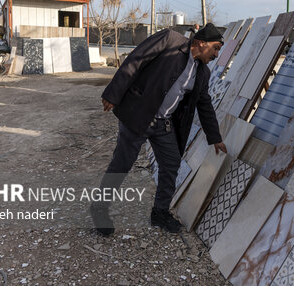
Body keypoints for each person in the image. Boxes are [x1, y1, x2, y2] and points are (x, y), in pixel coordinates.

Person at [91, 23, 228, 235]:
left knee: (171, 164)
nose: (216, 54)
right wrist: (113, 93)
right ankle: (99, 208)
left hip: (163, 124)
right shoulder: (170, 41)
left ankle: (160, 212)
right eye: (216, 48)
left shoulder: (203, 73)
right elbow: (137, 59)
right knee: (122, 164)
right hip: (138, 116)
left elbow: (205, 104)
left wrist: (215, 137)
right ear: (201, 43)